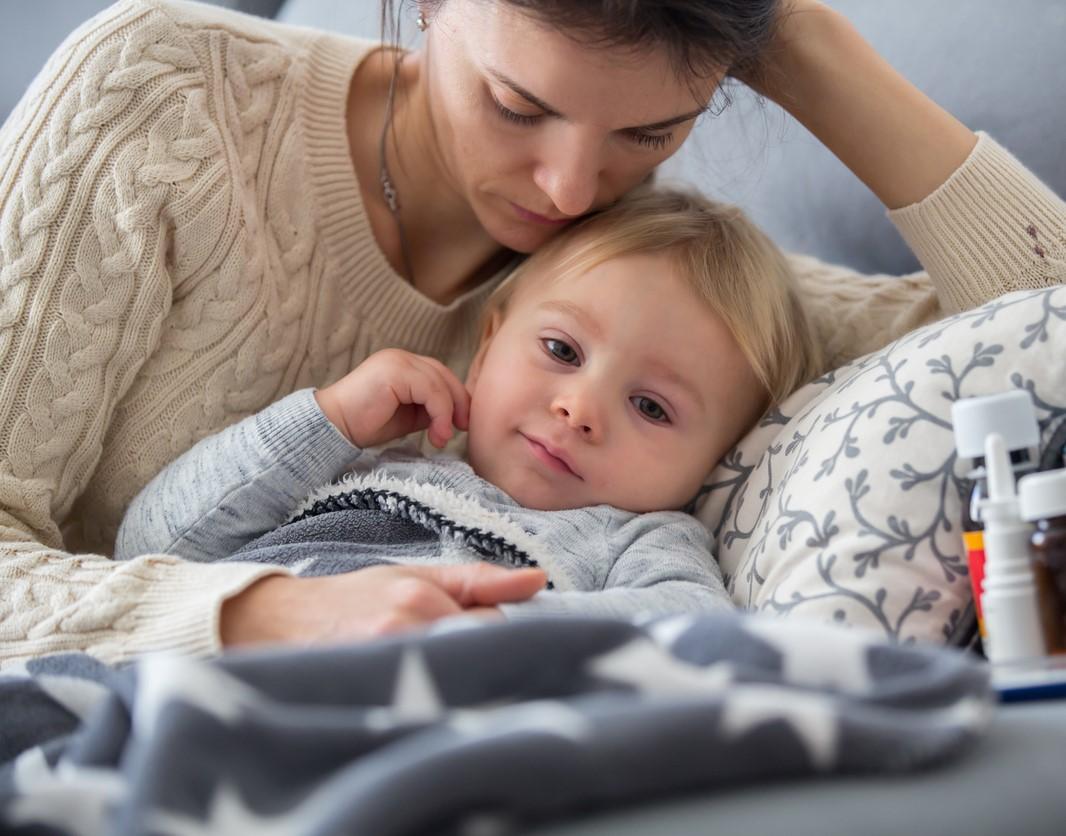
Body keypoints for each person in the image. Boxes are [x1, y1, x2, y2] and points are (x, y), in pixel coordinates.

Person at [1, 0, 1064, 667]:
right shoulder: (164, 97)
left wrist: (800, 42)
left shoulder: (644, 279)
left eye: (649, 130)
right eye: (515, 105)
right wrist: (262, 617)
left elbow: (1038, 333)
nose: (568, 187)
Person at [114, 187, 821, 621]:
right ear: (486, 347)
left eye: (652, 407)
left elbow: (693, 629)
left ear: (715, 461)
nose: (579, 409)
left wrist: (489, 628)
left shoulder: (634, 541)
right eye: (562, 351)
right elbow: (149, 547)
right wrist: (323, 421)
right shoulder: (366, 457)